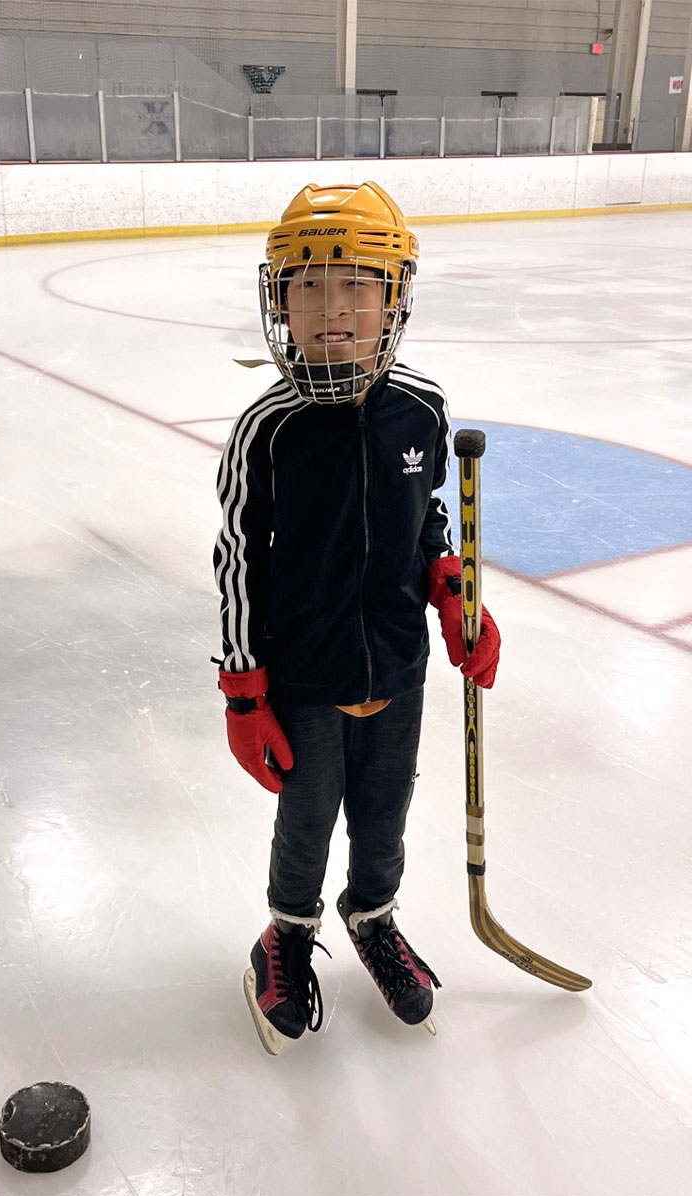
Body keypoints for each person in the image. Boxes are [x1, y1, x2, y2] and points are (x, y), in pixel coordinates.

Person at [213, 181, 500, 1054]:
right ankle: (287, 935)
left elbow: (427, 522)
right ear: (280, 301)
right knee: (307, 821)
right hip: (302, 677)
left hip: (397, 669)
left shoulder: (423, 408)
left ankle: (373, 920)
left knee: (382, 816)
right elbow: (234, 561)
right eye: (308, 287)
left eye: (356, 286)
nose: (332, 310)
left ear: (393, 298)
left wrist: (452, 590)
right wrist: (243, 690)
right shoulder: (265, 430)